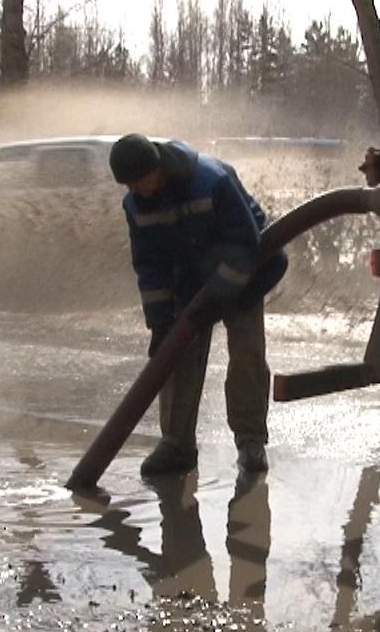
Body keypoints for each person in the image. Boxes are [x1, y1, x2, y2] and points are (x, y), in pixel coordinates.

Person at [110, 133, 287, 477]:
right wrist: (161, 324)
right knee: (175, 356)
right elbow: (150, 266)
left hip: (246, 270)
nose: (135, 190)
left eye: (138, 181)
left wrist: (217, 298)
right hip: (191, 274)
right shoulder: (136, 205)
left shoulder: (211, 181)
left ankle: (250, 442)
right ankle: (177, 445)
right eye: (128, 185)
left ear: (155, 168)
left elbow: (246, 244)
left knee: (247, 353)